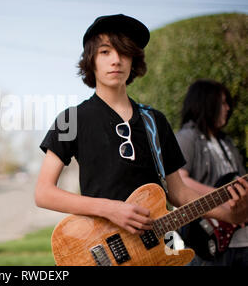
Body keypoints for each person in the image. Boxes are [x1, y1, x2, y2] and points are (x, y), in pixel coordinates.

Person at [34, 14, 248, 253]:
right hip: (102, 248)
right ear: (91, 60)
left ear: (133, 61)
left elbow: (179, 193)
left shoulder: (155, 120)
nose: (116, 60)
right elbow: (43, 193)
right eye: (105, 52)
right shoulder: (70, 118)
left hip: (161, 246)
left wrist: (230, 213)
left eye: (124, 52)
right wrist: (110, 209)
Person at [176, 79, 247, 266]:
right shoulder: (186, 138)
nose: (227, 108)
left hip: (241, 238)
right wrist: (224, 202)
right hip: (207, 240)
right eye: (222, 103)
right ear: (206, 102)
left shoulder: (227, 143)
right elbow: (181, 181)